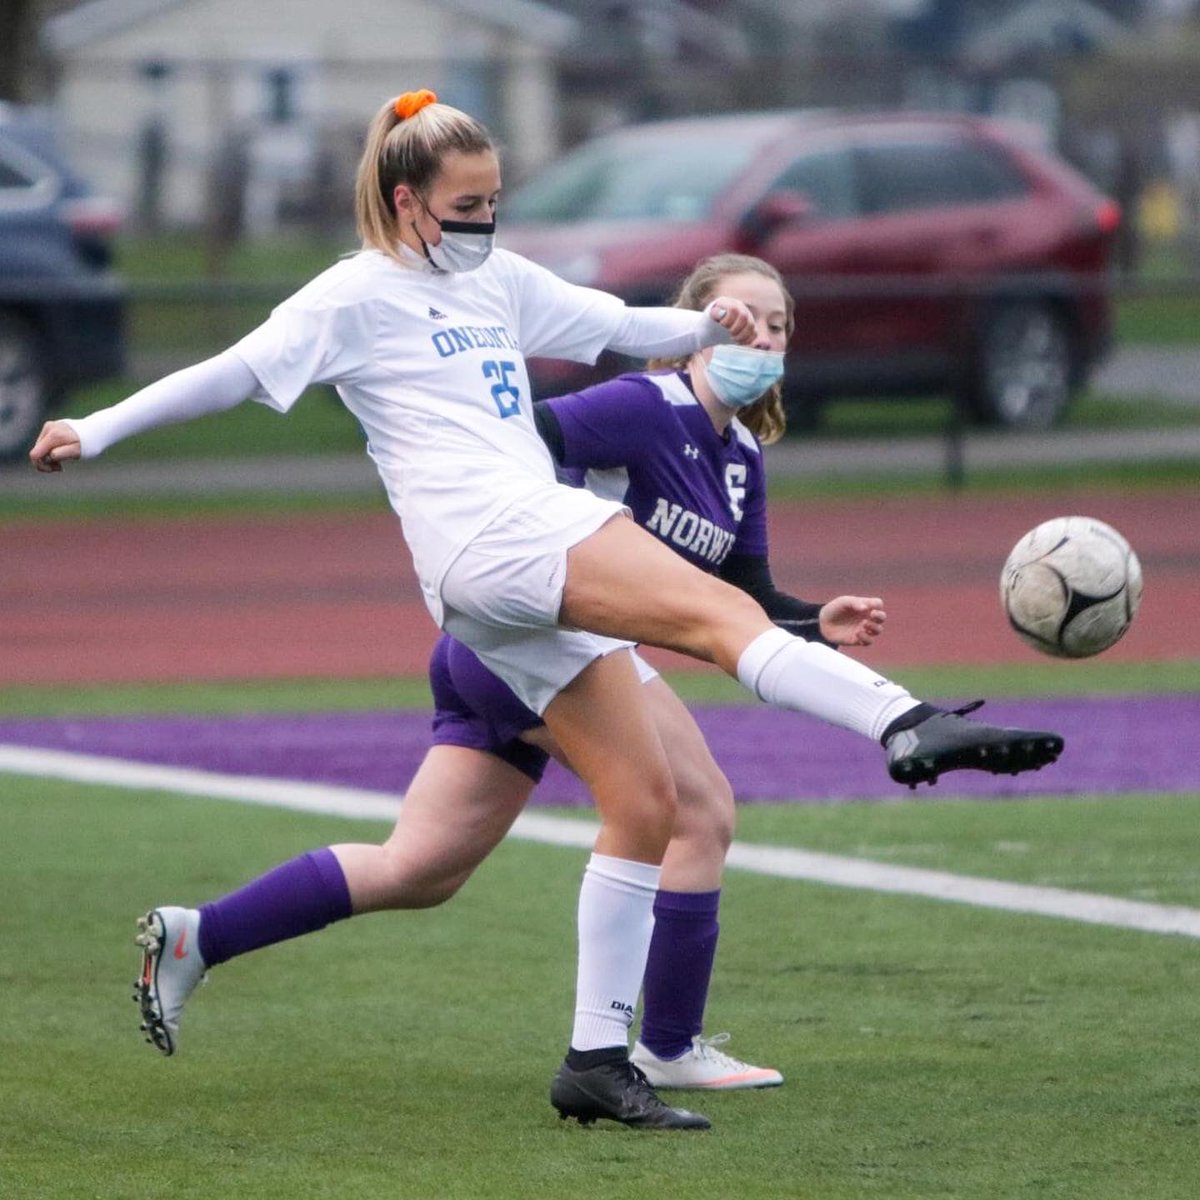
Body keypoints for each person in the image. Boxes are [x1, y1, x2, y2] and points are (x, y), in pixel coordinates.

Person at [30, 91, 1063, 1131]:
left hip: (499, 582)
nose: (487, 220)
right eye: (467, 205)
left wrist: (709, 325)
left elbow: (618, 326)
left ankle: (574, 1055)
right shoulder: (353, 295)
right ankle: (904, 722)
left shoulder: (497, 280)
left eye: (494, 200)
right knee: (713, 618)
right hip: (497, 534)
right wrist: (97, 428)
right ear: (406, 201)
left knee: (607, 816)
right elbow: (230, 373)